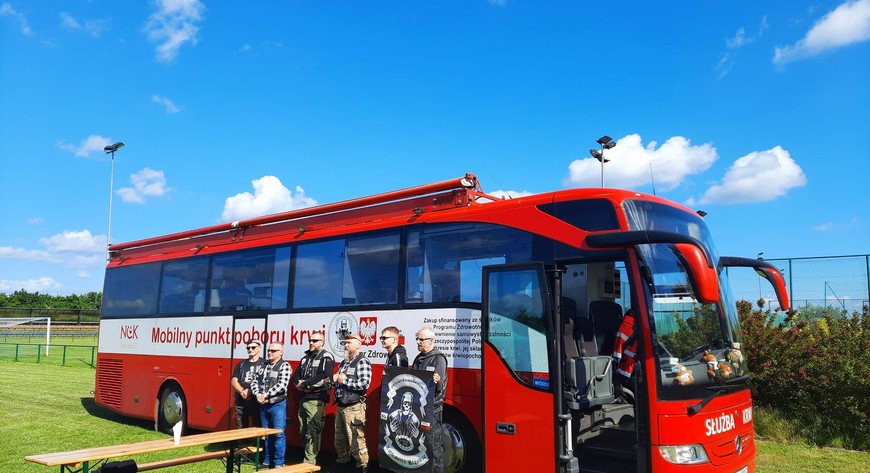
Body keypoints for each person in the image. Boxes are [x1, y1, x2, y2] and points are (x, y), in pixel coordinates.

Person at [291, 331, 335, 466]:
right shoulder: (305, 358)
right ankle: (307, 460)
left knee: (312, 432)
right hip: (303, 398)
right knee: (303, 431)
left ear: (322, 343)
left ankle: (309, 463)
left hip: (316, 400)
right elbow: (295, 377)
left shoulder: (326, 357)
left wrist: (306, 384)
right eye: (310, 340)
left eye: (315, 340)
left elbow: (325, 377)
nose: (311, 343)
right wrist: (301, 385)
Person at [332, 333, 372, 473]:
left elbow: (364, 383)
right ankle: (342, 466)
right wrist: (335, 380)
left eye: (349, 342)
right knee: (340, 441)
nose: (346, 345)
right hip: (341, 407)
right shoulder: (344, 362)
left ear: (358, 345)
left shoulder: (362, 362)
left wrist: (344, 380)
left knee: (356, 442)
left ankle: (362, 468)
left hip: (354, 407)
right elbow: (339, 382)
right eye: (345, 343)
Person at [411, 326, 448, 473]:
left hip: (432, 410)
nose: (418, 342)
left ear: (431, 340)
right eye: (417, 339)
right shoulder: (418, 358)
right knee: (420, 444)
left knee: (433, 446)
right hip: (418, 408)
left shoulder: (439, 359)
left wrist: (437, 381)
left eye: (422, 339)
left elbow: (440, 387)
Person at [251, 342, 292, 469]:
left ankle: (279, 463)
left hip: (277, 405)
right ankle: (267, 461)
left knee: (278, 434)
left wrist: (265, 395)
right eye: (269, 350)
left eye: (274, 351)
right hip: (263, 405)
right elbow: (254, 382)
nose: (270, 353)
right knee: (267, 434)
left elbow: (282, 386)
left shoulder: (284, 366)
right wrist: (258, 394)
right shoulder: (262, 366)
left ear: (281, 352)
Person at [230, 339, 266, 430]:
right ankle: (241, 444)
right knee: (241, 426)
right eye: (248, 348)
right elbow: (234, 380)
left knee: (257, 426)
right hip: (241, 400)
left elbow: (266, 381)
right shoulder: (241, 364)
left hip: (256, 401)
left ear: (259, 348)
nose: (250, 349)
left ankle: (256, 444)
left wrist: (250, 391)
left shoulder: (265, 364)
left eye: (253, 347)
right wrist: (242, 391)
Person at [612, 309, 638, 394]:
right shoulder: (628, 325)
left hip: (628, 367)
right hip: (625, 368)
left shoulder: (633, 325)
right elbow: (617, 353)